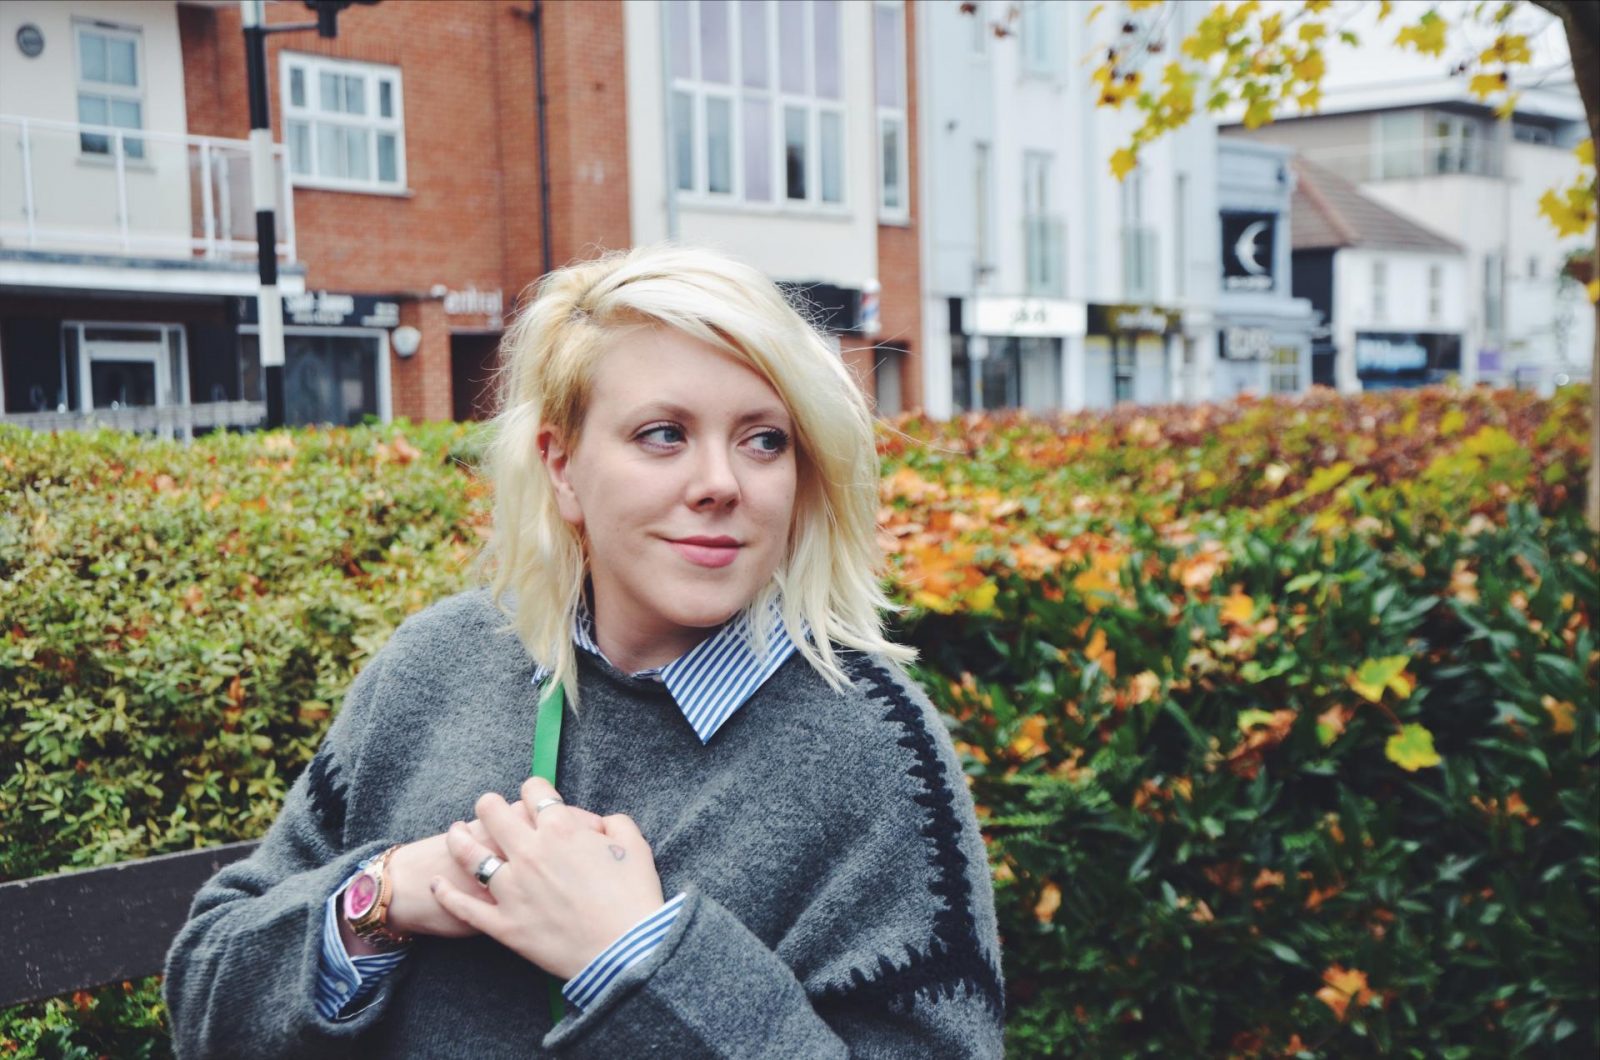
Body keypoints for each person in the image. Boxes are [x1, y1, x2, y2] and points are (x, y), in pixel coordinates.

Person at [163, 244, 1005, 1057]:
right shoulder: (436, 666)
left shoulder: (877, 752)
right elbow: (206, 996)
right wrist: (385, 896)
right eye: (664, 433)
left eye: (764, 440)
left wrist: (634, 957)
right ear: (562, 467)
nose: (722, 482)